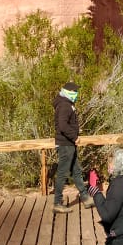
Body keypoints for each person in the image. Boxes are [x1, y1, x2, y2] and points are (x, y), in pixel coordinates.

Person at [52, 81, 93, 213]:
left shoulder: (65, 104)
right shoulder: (65, 106)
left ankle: (85, 198)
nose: (76, 95)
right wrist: (74, 137)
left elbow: (65, 124)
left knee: (76, 171)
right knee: (63, 174)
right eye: (75, 92)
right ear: (69, 93)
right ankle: (57, 203)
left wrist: (75, 131)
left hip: (68, 144)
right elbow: (63, 126)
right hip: (66, 145)